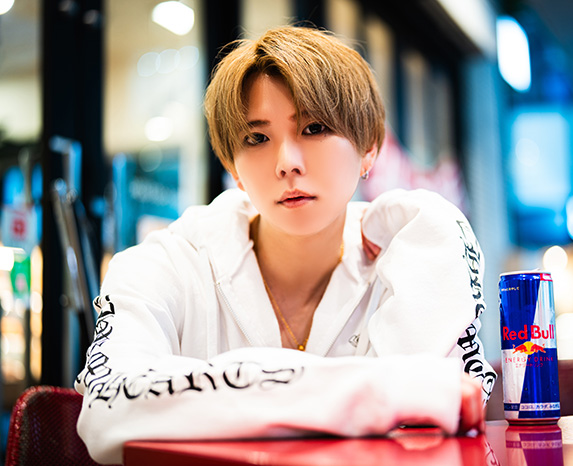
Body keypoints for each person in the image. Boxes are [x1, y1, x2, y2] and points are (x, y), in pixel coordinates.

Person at [75, 26, 496, 465]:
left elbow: (435, 418)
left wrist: (443, 229)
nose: (286, 163)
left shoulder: (412, 255)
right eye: (257, 138)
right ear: (232, 166)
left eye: (314, 128)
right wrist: (374, 392)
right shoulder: (165, 264)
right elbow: (109, 408)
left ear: (369, 147)